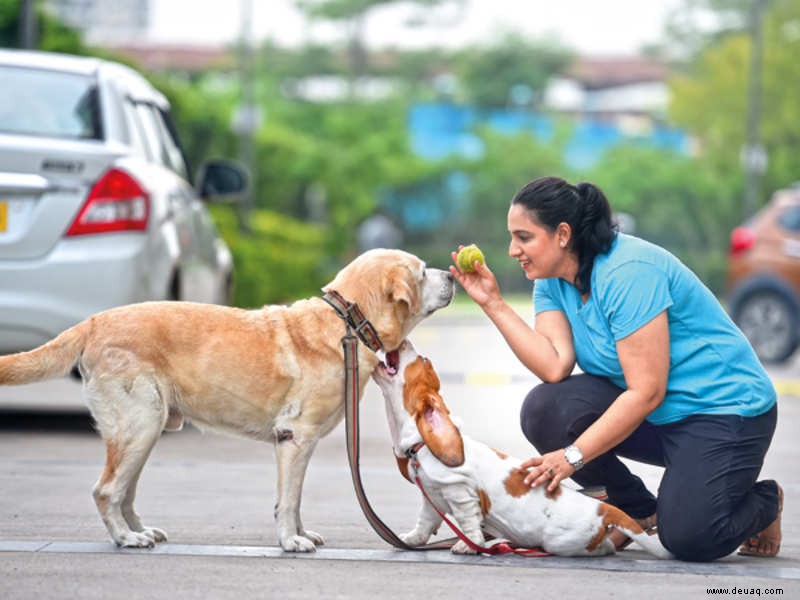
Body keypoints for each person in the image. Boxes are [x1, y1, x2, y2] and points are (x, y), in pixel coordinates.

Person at [449, 176, 782, 562]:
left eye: (524, 237)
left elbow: (647, 390)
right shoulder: (553, 279)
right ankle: (637, 509)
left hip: (724, 412)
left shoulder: (629, 272)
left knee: (691, 538)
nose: (512, 250)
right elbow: (554, 367)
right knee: (546, 408)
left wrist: (572, 456)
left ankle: (765, 501)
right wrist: (493, 303)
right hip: (657, 417)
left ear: (561, 234)